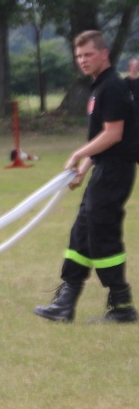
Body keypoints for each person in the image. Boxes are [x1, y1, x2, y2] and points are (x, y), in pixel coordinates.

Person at [34, 30, 139, 324]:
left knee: (101, 232)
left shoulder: (112, 88)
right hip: (105, 169)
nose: (83, 60)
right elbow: (103, 140)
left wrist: (78, 154)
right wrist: (84, 168)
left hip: (116, 172)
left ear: (104, 54)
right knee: (82, 231)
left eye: (88, 54)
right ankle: (65, 302)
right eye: (79, 56)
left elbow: (114, 135)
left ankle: (122, 306)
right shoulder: (99, 87)